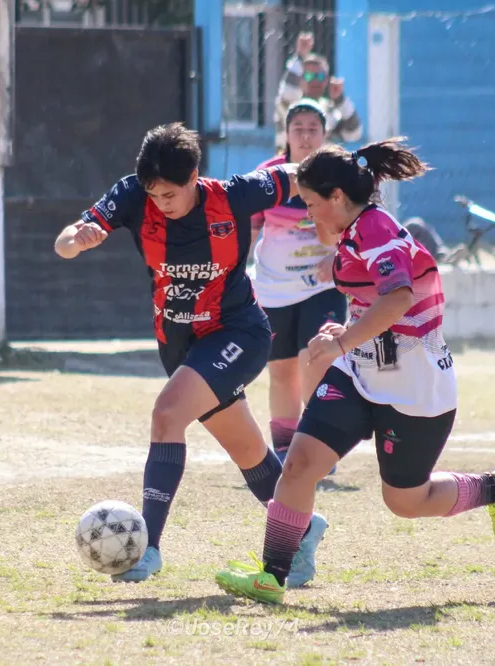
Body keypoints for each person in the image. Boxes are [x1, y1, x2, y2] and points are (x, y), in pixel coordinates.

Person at [213, 138, 495, 604]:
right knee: (297, 465)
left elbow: (399, 297)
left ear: (337, 197)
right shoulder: (350, 232)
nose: (308, 213)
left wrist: (340, 340)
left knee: (405, 501)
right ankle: (271, 577)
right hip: (359, 375)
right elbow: (375, 302)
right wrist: (350, 331)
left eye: (313, 203)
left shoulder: (374, 228)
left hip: (415, 388)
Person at [54, 123, 326, 587]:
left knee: (166, 414)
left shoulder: (234, 194)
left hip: (238, 332)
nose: (162, 202)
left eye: (171, 194)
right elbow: (64, 241)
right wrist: (76, 240)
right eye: (154, 194)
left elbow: (298, 173)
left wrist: (355, 169)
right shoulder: (131, 197)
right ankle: (302, 528)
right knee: (247, 451)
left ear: (195, 177)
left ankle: (148, 548)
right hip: (180, 343)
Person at [250, 100, 348, 476]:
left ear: (325, 135)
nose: (306, 136)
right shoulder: (267, 176)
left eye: (313, 129)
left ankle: (322, 445)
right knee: (282, 370)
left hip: (322, 286)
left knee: (317, 360)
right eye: (298, 129)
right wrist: (237, 272)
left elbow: (353, 228)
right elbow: (252, 228)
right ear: (286, 134)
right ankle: (286, 450)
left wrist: (336, 256)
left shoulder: (341, 176)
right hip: (273, 287)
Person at [273, 32, 363, 151]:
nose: (314, 81)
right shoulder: (289, 105)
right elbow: (288, 93)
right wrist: (300, 57)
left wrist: (340, 100)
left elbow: (353, 133)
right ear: (300, 78)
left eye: (320, 76)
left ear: (327, 79)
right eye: (309, 76)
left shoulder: (329, 109)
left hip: (320, 168)